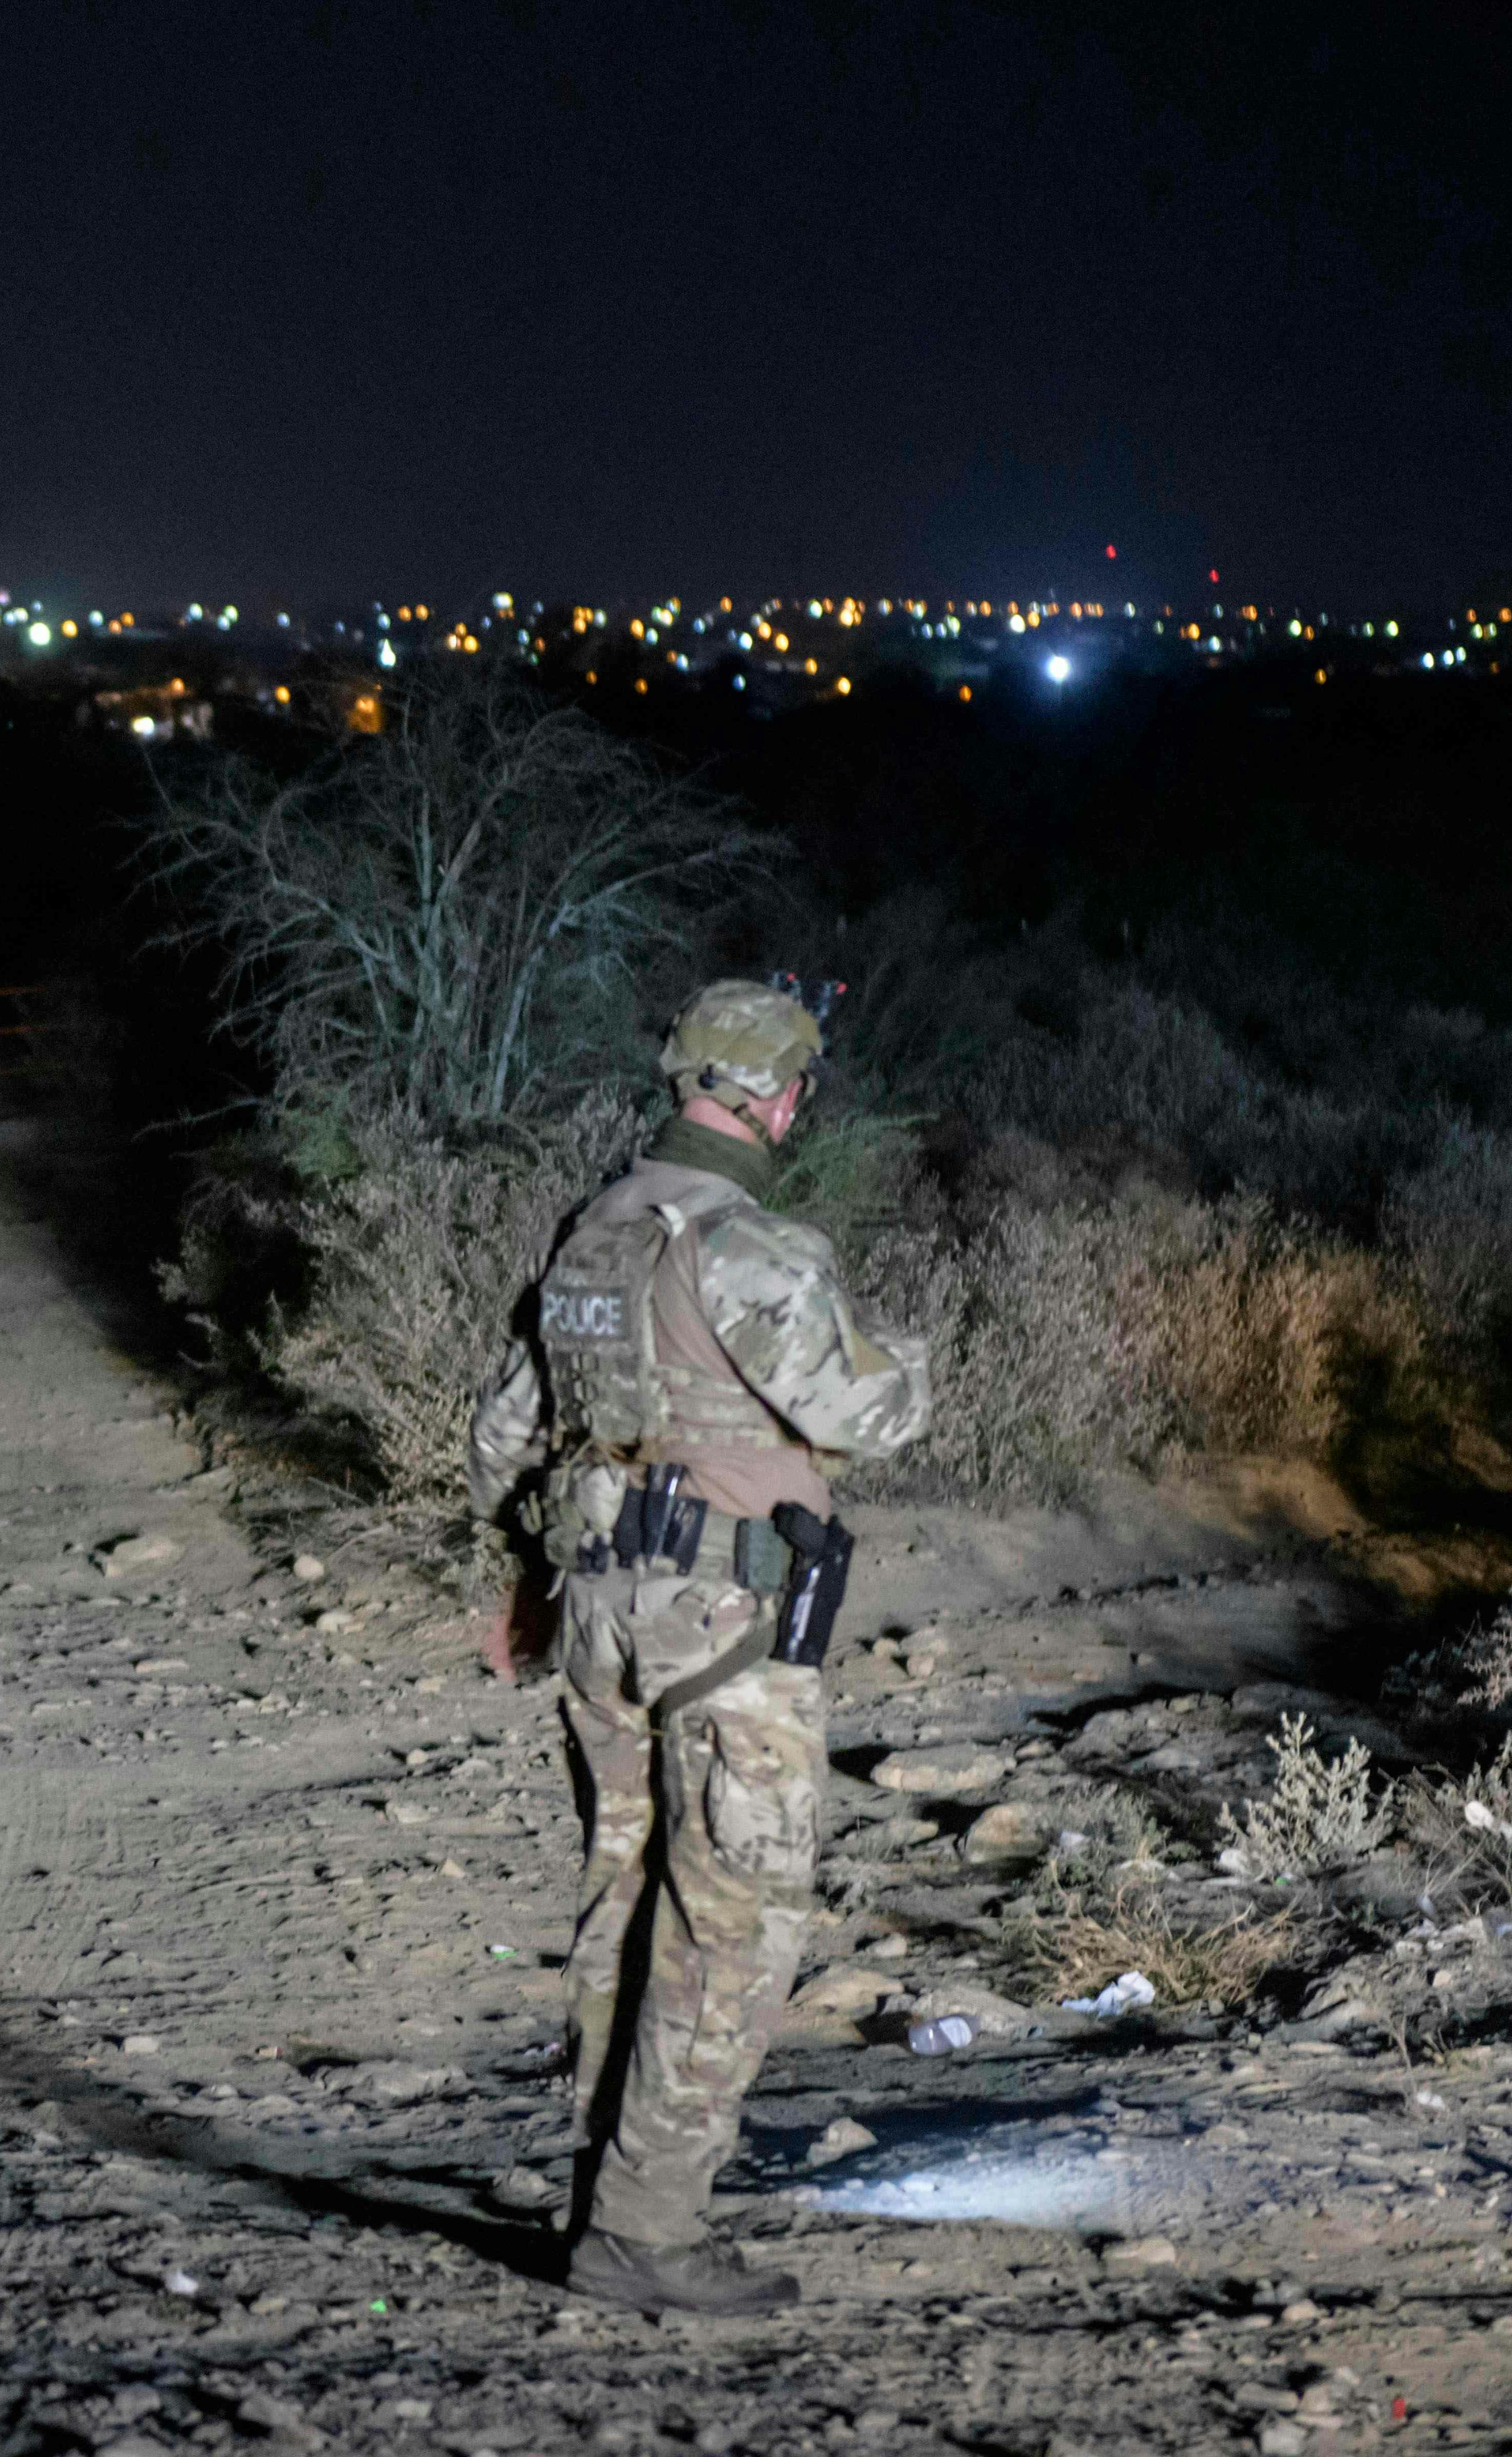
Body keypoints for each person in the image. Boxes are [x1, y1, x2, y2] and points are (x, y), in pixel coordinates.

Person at [465, 979, 933, 2318]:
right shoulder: (747, 1241)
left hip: (600, 1614)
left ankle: (600, 2192)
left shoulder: (593, 1234)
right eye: (798, 1088)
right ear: (776, 1094)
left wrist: (520, 1580)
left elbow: (505, 1432)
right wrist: (913, 1352)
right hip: (728, 1627)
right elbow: (865, 1407)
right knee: (730, 1924)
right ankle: (646, 2231)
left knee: (622, 1899)